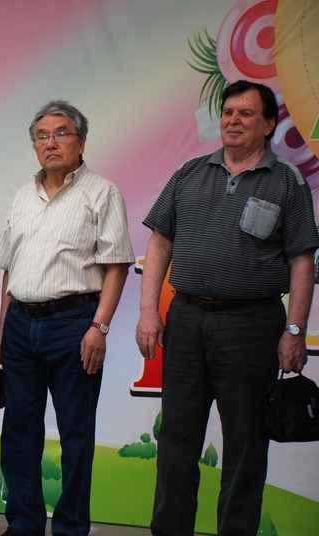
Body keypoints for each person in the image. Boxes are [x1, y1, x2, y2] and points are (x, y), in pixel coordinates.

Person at [136, 80, 319, 536]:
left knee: (245, 442)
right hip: (186, 320)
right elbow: (159, 242)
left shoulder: (287, 182)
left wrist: (295, 330)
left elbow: (302, 260)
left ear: (269, 124)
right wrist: (148, 312)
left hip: (251, 325)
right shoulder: (190, 173)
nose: (233, 120)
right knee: (175, 437)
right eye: (228, 112)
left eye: (246, 113)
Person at [0, 100, 134, 536]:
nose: (50, 143)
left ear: (81, 142)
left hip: (75, 324)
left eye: (61, 133)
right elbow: (9, 268)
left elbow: (116, 266)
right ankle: (24, 525)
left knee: (75, 433)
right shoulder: (23, 195)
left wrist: (99, 327)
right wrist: (2, 328)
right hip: (21, 325)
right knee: (18, 431)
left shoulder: (102, 192)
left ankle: (71, 528)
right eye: (42, 136)